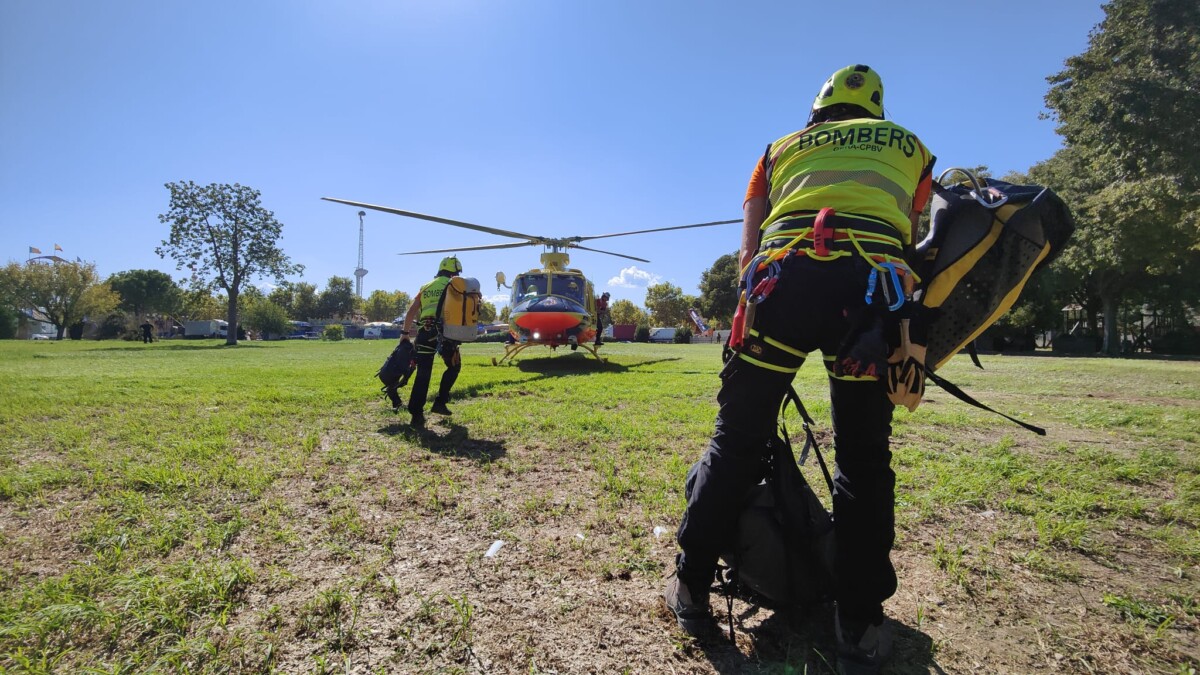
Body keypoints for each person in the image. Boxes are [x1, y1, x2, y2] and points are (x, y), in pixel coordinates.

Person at [664, 65, 934, 675]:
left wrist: (752, 302)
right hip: (870, 293)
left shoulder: (778, 148)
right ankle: (859, 624)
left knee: (734, 443)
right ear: (876, 111)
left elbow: (750, 239)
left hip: (780, 282)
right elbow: (911, 235)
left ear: (818, 109)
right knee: (863, 459)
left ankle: (690, 590)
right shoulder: (913, 148)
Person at [401, 257, 465, 426]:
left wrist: (405, 333)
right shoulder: (453, 285)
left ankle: (416, 415)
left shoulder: (426, 287)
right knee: (454, 366)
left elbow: (411, 311)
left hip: (424, 334)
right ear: (454, 272)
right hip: (444, 335)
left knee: (423, 374)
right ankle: (440, 402)